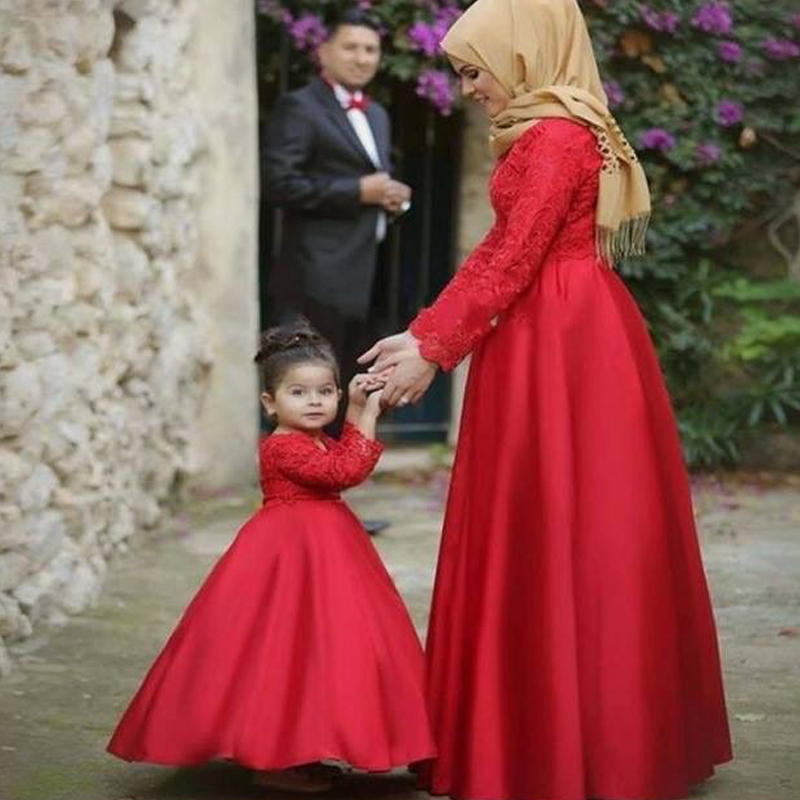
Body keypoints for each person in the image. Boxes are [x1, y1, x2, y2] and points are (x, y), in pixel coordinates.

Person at [360, 1, 733, 799]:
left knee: (570, 524)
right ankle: (556, 733)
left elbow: (510, 253)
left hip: (556, 337)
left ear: (522, 56)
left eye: (473, 70)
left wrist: (430, 345)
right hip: (556, 328)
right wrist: (430, 335)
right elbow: (505, 254)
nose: (468, 89)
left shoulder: (555, 135)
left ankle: (562, 746)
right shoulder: (566, 124)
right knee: (559, 520)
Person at [107, 320, 436, 794]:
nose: (316, 401)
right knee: (283, 649)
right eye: (299, 393)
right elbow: (345, 470)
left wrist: (360, 405)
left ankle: (303, 744)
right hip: (288, 553)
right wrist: (368, 416)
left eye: (326, 391)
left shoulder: (311, 438)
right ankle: (274, 759)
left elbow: (336, 457)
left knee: (318, 650)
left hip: (327, 545)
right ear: (270, 403)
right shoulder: (283, 447)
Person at [264, 8, 411, 434]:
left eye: (371, 50)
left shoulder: (378, 115)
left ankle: (335, 482)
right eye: (351, 47)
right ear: (323, 51)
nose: (362, 58)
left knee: (350, 392)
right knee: (309, 394)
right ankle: (302, 487)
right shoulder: (300, 107)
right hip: (315, 279)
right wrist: (357, 191)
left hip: (368, 276)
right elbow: (278, 184)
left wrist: (392, 199)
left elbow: (370, 184)